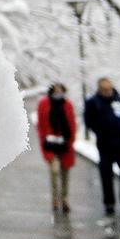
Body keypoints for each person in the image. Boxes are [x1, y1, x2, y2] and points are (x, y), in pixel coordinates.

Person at [84, 77, 120, 215]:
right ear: (100, 89)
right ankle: (109, 203)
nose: (107, 91)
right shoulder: (93, 103)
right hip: (104, 145)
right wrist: (101, 132)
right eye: (104, 89)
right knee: (106, 175)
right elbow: (89, 121)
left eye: (109, 89)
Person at [37, 82, 77, 212]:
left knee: (65, 173)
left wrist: (70, 141)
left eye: (61, 91)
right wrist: (44, 140)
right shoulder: (44, 104)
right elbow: (41, 125)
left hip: (65, 145)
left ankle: (65, 199)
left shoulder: (68, 104)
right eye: (56, 91)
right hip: (50, 144)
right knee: (54, 172)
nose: (58, 93)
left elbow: (72, 124)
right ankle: (55, 199)